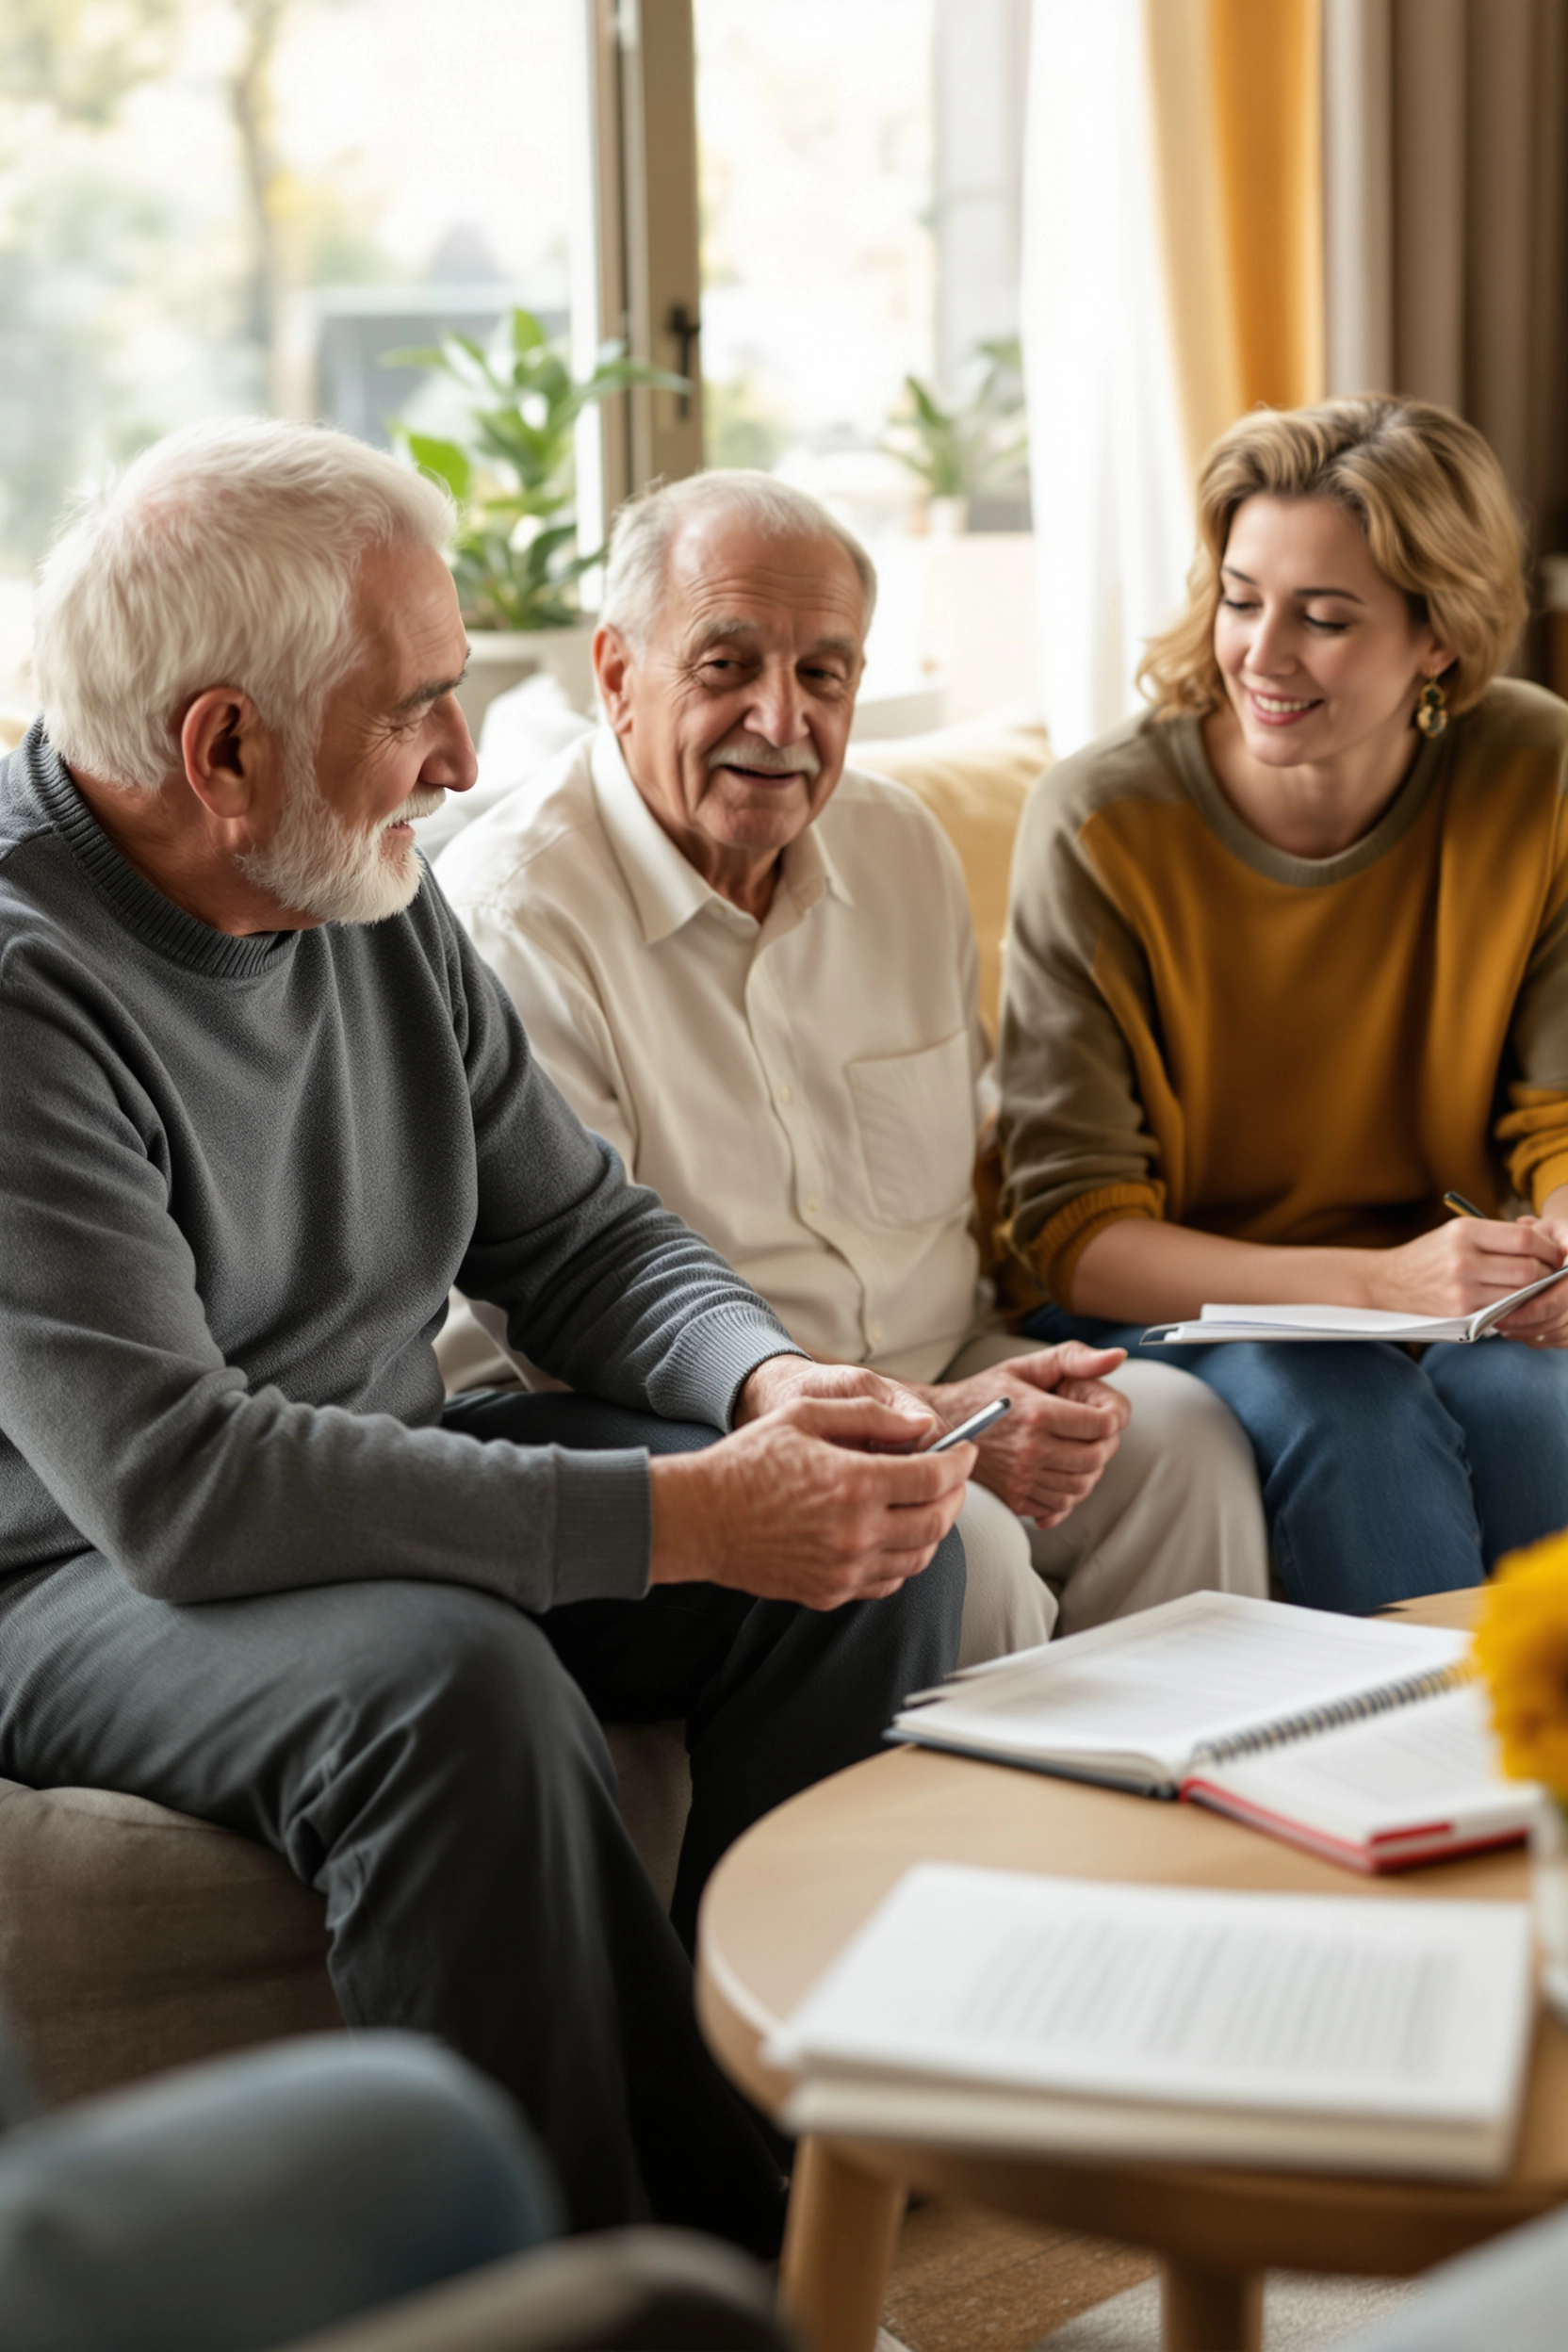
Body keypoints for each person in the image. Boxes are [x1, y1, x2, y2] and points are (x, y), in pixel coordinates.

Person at [0, 418, 976, 2254]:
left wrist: (769, 1392)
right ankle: (597, 2281)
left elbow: (578, 1230)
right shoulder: (20, 984)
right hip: (69, 1579)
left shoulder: (353, 878)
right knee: (456, 1684)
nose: (463, 758)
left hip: (370, 1472)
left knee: (869, 1535)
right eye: (418, 707)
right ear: (224, 748)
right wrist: (685, 1517)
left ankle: (793, 2190)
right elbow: (177, 1487)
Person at [435, 471, 1267, 1656]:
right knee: (951, 1540)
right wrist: (930, 1426)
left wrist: (1013, 1382)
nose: (782, 721)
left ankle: (1176, 1829)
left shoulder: (897, 847)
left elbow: (984, 1162)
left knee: (1176, 1436)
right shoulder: (517, 913)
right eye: (725, 667)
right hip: (674, 1416)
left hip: (938, 1353)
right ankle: (963, 1844)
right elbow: (569, 1306)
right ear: (616, 674)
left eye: (823, 673)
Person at [997, 394, 1568, 1612]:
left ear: (1440, 637)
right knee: (1342, 1415)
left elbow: (1557, 1118)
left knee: (1541, 1402)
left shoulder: (1539, 772)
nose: (1262, 652)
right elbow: (1078, 1234)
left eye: (1325, 617)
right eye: (1242, 598)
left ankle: (1536, 1783)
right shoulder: (1101, 822)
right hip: (1190, 1298)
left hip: (1453, 1286)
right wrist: (1378, 1288)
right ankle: (1390, 1796)